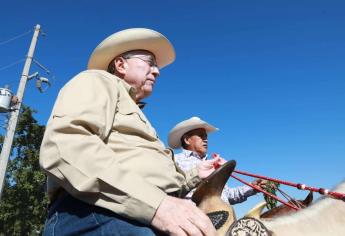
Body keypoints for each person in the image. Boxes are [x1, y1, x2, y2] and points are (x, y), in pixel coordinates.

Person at [39, 28, 221, 236]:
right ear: (120, 64)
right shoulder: (97, 80)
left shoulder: (138, 113)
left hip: (138, 211)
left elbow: (151, 181)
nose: (157, 71)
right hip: (96, 212)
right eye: (150, 63)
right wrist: (158, 205)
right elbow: (65, 147)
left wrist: (195, 176)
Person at [168, 116, 267, 205]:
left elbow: (227, 195)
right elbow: (170, 193)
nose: (205, 139)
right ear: (187, 140)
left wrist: (252, 188)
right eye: (201, 135)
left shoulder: (213, 164)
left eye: (206, 136)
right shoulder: (174, 161)